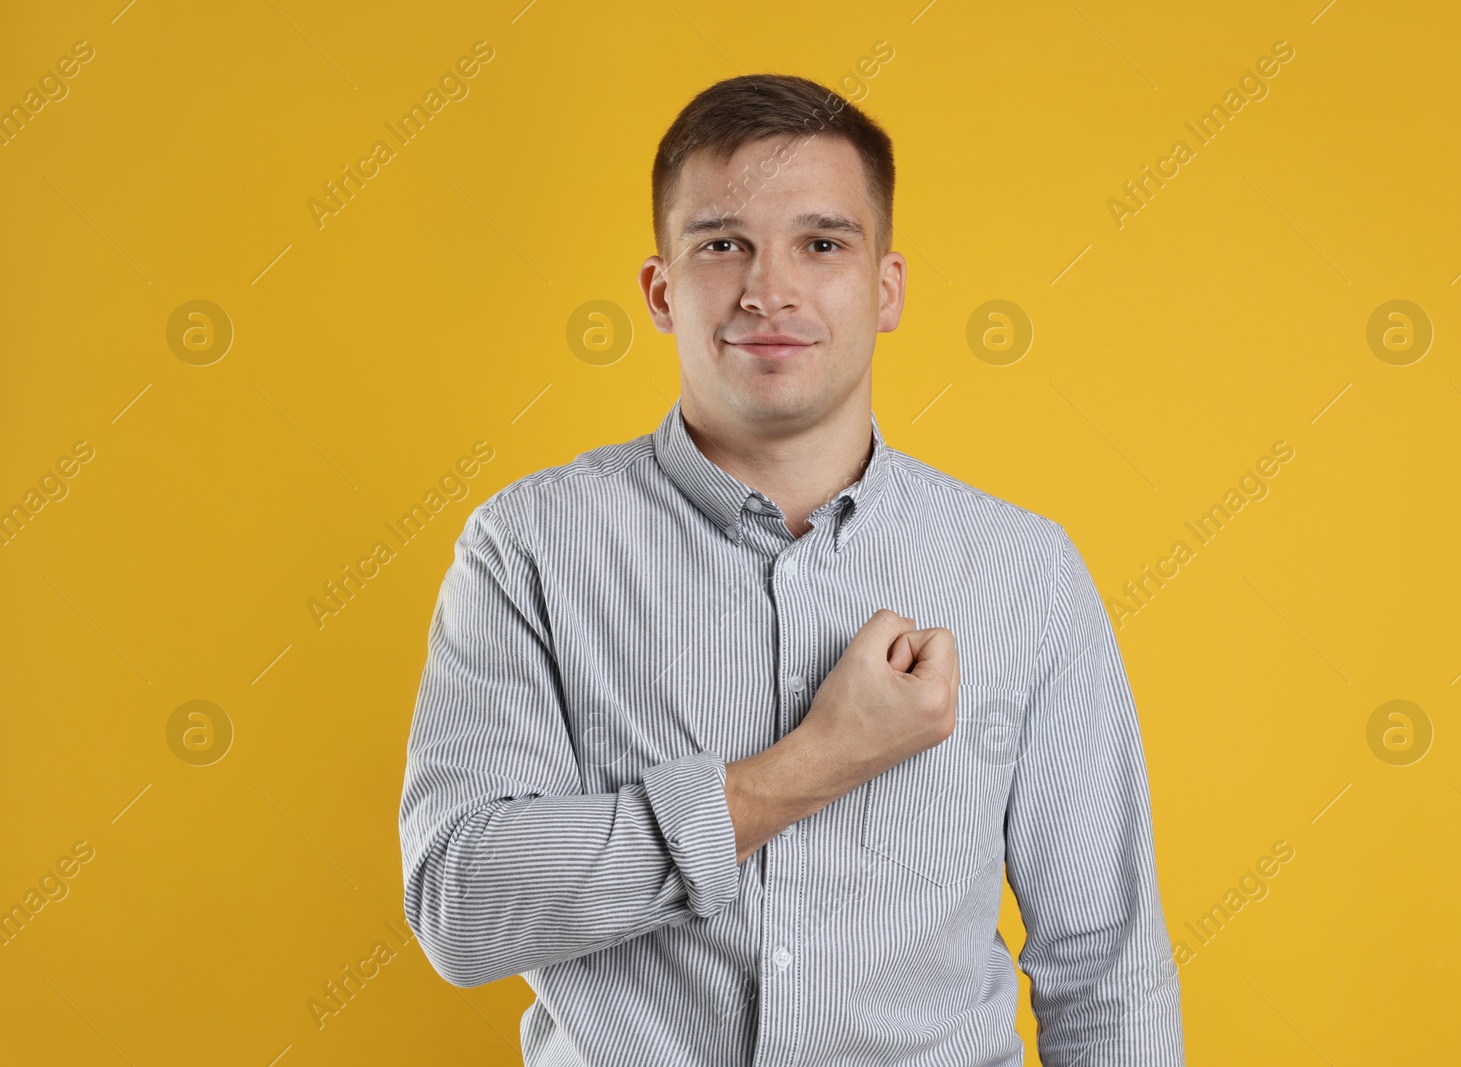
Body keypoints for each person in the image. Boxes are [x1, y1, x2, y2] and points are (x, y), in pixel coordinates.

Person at [398, 73, 1185, 1066]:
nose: (769, 288)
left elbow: (1105, 965)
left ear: (885, 288)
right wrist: (816, 761)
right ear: (659, 290)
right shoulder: (528, 548)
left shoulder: (1021, 571)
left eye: (822, 243)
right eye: (722, 243)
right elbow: (463, 907)